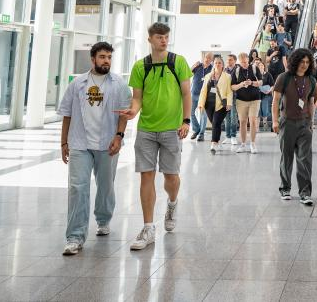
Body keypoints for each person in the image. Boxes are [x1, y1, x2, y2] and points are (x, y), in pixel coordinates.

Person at [116, 23, 192, 251]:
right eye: (159, 37)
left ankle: (172, 203)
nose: (164, 40)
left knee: (171, 177)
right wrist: (133, 111)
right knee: (146, 176)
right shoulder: (141, 66)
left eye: (166, 37)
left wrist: (186, 121)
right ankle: (148, 227)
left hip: (172, 129)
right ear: (150, 39)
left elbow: (186, 93)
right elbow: (137, 98)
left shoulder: (178, 62)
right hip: (146, 129)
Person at [58, 42, 130, 255]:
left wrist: (119, 136)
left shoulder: (119, 84)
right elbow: (67, 114)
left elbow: (124, 114)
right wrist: (64, 142)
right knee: (77, 188)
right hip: (80, 143)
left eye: (109, 57)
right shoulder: (77, 83)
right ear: (93, 59)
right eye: (102, 57)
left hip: (108, 143)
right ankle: (74, 237)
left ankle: (103, 219)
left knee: (105, 185)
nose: (106, 61)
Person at [272, 48, 317, 205]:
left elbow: (311, 102)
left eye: (307, 62)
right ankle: (285, 188)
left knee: (305, 159)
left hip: (304, 124)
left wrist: (311, 122)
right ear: (295, 61)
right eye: (302, 61)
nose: (304, 65)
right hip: (287, 122)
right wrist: (275, 121)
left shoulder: (311, 80)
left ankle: (305, 193)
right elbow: (276, 100)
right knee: (287, 157)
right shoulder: (284, 78)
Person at [199, 58, 233, 153]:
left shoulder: (227, 76)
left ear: (222, 65)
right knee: (215, 124)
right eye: (216, 63)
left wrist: (229, 103)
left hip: (221, 104)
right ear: (213, 64)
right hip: (209, 104)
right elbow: (203, 90)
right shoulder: (208, 76)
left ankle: (213, 144)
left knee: (216, 122)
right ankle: (217, 142)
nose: (217, 64)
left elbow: (229, 91)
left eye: (219, 63)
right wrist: (201, 104)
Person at [232, 53, 261, 153]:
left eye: (245, 62)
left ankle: (252, 144)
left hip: (254, 99)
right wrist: (241, 84)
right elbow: (232, 87)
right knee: (242, 122)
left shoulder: (254, 68)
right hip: (241, 100)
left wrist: (251, 83)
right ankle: (243, 144)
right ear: (239, 62)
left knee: (253, 121)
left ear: (248, 60)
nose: (244, 64)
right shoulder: (236, 70)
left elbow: (261, 82)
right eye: (242, 62)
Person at [189, 53, 214, 142]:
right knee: (191, 113)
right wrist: (193, 66)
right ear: (203, 58)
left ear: (212, 60)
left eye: (209, 58)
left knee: (203, 115)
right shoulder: (198, 66)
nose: (207, 59)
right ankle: (196, 130)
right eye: (206, 57)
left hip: (204, 95)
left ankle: (201, 134)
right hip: (194, 93)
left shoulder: (212, 69)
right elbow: (187, 74)